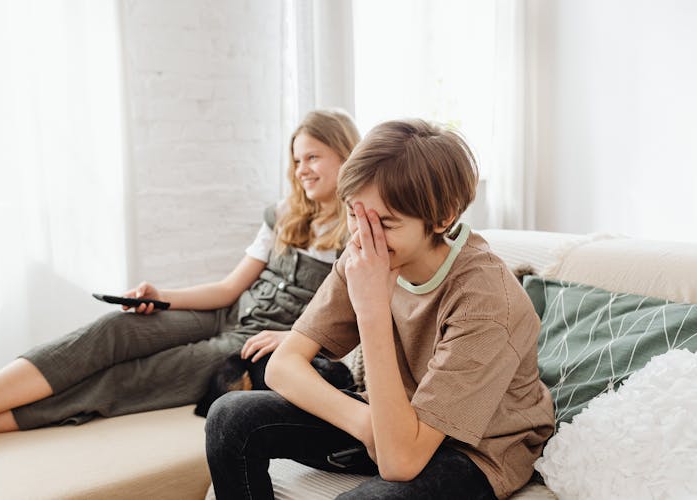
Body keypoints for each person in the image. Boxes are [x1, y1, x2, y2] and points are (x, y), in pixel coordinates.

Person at [0, 109, 360, 438]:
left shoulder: (358, 233)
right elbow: (228, 289)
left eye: (312, 157)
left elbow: (353, 320)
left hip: (254, 341)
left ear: (345, 155)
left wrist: (295, 339)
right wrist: (161, 295)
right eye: (296, 160)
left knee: (131, 377)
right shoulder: (284, 216)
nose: (302, 169)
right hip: (230, 312)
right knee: (116, 328)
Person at [206, 119, 555, 499]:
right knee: (229, 418)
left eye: (385, 223)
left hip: (477, 449)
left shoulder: (485, 301)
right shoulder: (366, 253)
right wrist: (367, 422)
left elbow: (400, 462)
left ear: (444, 217)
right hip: (390, 421)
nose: (361, 236)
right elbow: (283, 367)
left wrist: (371, 311)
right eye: (355, 215)